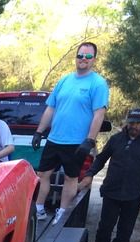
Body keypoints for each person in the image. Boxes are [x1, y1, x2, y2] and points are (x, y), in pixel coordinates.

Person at [31, 42, 110, 223]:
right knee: (42, 174)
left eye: (88, 56)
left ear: (94, 60)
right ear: (76, 57)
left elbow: (99, 114)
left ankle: (62, 213)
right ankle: (39, 209)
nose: (83, 59)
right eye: (80, 55)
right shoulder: (64, 80)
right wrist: (39, 131)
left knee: (70, 177)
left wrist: (89, 140)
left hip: (76, 142)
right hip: (54, 138)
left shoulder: (98, 84)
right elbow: (51, 108)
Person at [77, 108, 140, 242]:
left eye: (137, 123)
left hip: (133, 194)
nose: (133, 126)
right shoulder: (116, 139)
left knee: (125, 232)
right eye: (131, 123)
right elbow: (101, 158)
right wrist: (90, 174)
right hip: (112, 191)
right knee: (105, 228)